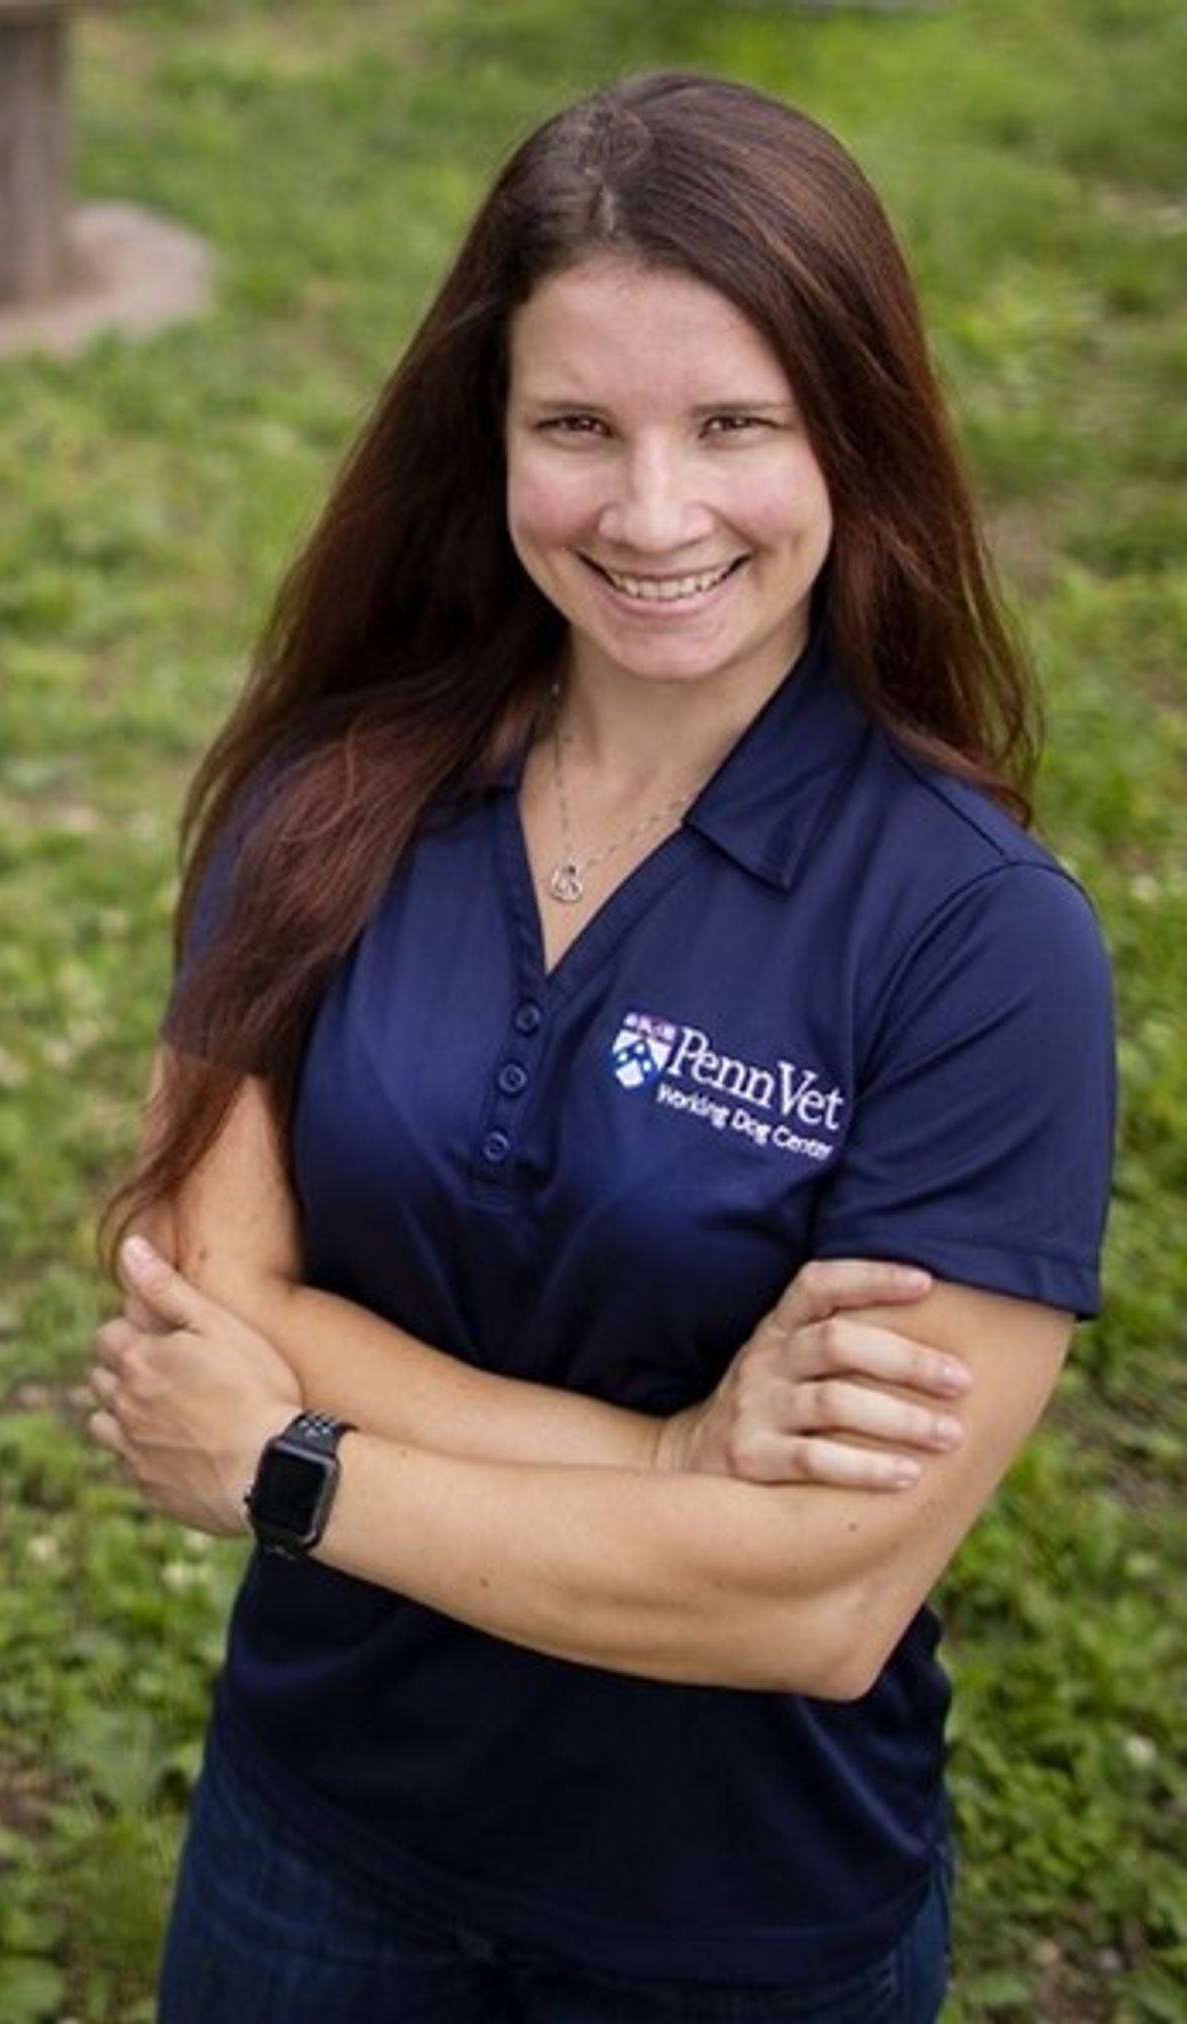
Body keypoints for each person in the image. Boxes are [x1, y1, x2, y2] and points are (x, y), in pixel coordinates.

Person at [88, 70, 1115, 2024]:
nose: (654, 513)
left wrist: (297, 1470)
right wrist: (666, 1455)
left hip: (735, 1922)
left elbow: (814, 1594)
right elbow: (201, 1287)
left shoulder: (981, 940)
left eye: (735, 423)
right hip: (314, 1847)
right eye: (578, 426)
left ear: (858, 436)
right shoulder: (326, 798)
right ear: (489, 441)